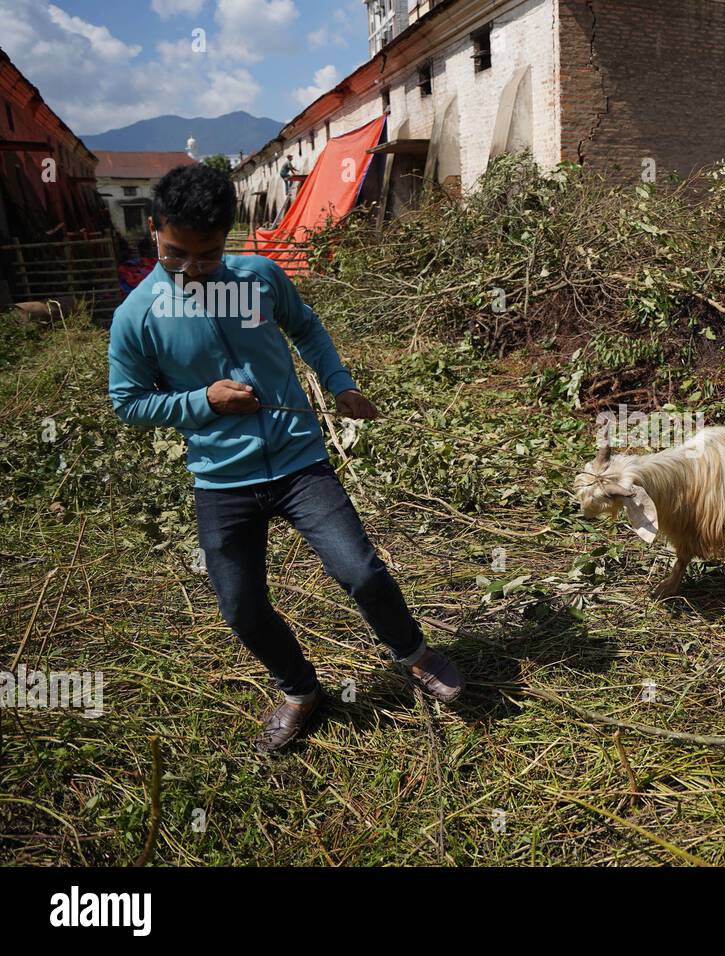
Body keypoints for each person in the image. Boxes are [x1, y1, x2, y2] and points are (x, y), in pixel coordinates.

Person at [108, 163, 464, 753]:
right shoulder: (136, 318)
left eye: (209, 255)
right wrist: (204, 401)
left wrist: (338, 382)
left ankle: (415, 655)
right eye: (176, 254)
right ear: (153, 230)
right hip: (223, 480)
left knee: (362, 571)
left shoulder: (260, 277)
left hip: (299, 463)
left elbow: (307, 328)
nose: (193, 269)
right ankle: (300, 689)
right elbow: (129, 403)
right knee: (242, 607)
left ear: (231, 238)